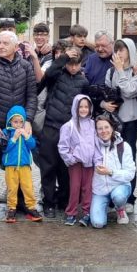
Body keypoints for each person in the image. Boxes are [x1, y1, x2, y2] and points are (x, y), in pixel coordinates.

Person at [0, 30, 38, 220]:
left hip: (18, 124)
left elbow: (32, 96)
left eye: (5, 43)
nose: (0, 46)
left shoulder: (26, 66)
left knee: (19, 163)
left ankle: (20, 203)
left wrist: (28, 120)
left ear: (16, 47)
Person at [37, 47, 88, 217]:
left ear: (81, 64)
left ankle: (65, 200)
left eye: (76, 64)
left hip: (70, 131)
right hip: (51, 126)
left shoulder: (83, 82)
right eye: (70, 64)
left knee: (66, 168)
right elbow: (47, 75)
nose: (73, 67)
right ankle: (49, 202)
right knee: (48, 167)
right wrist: (63, 57)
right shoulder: (57, 75)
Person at [102, 38, 137, 208]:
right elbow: (105, 92)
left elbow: (130, 91)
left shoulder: (136, 70)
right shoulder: (110, 71)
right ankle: (113, 195)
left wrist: (121, 70)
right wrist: (104, 104)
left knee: (129, 157)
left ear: (130, 52)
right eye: (116, 50)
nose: (119, 54)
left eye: (122, 50)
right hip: (114, 121)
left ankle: (130, 197)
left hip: (131, 120)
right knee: (111, 157)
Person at [89, 113, 137, 228]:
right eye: (100, 128)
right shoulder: (92, 146)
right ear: (96, 131)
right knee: (98, 223)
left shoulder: (123, 146)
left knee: (118, 196)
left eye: (106, 127)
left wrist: (110, 172)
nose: (103, 131)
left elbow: (130, 173)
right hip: (100, 190)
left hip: (119, 186)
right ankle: (103, 206)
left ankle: (120, 208)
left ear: (112, 128)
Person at [58, 94, 99, 226]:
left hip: (89, 163)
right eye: (80, 106)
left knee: (88, 188)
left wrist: (96, 159)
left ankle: (87, 212)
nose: (83, 109)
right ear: (75, 107)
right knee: (75, 187)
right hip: (76, 163)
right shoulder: (69, 126)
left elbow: (96, 144)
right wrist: (70, 159)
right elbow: (62, 146)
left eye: (86, 107)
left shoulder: (93, 124)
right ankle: (71, 212)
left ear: (90, 108)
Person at [1, 105, 44, 223]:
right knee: (12, 188)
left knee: (28, 187)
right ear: (10, 121)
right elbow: (4, 149)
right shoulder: (6, 132)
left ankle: (31, 208)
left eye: (21, 122)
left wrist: (26, 136)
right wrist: (14, 138)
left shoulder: (26, 132)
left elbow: (32, 145)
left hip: (25, 165)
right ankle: (11, 209)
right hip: (11, 166)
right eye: (15, 122)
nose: (18, 125)